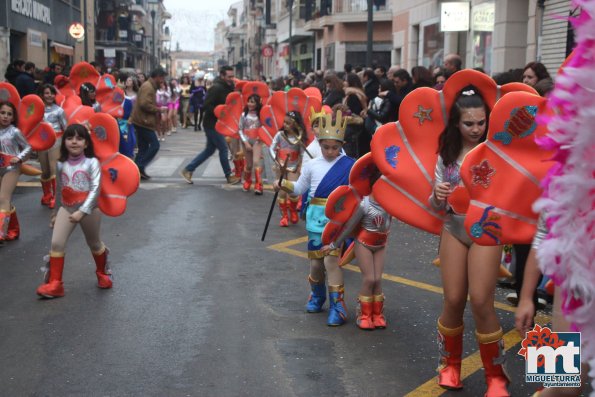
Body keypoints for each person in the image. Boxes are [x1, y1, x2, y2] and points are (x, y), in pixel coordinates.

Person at [431, 87, 509, 396]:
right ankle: (449, 365)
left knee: (480, 301)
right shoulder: (446, 154)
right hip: (454, 227)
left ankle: (497, 375)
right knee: (452, 299)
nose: (477, 129)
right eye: (469, 123)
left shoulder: (498, 151)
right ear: (456, 124)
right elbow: (436, 203)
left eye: (481, 123)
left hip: (488, 231)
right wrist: (436, 195)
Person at [275, 109, 355, 326]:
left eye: (335, 147)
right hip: (314, 221)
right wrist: (283, 184)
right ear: (319, 144)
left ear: (341, 145)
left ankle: (338, 307)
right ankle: (317, 296)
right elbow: (299, 188)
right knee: (316, 265)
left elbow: (356, 193)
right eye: (326, 147)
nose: (330, 151)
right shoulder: (311, 165)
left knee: (331, 262)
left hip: (337, 221)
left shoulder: (349, 165)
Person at [35, 124, 112, 298]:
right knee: (56, 243)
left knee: (94, 243)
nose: (74, 142)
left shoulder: (92, 163)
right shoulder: (61, 164)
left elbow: (95, 190)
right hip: (67, 207)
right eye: (70, 138)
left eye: (79, 138)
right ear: (64, 142)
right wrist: (55, 213)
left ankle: (102, 273)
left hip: (89, 209)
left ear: (86, 143)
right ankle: (56, 284)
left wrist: (82, 212)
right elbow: (60, 190)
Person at [322, 166, 392, 330]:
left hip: (381, 244)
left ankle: (378, 314)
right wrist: (334, 244)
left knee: (377, 279)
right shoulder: (364, 204)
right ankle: (364, 314)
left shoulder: (390, 205)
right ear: (373, 184)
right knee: (369, 279)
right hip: (364, 244)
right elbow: (348, 227)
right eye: (381, 185)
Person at [179, 66, 240, 185]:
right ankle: (228, 175)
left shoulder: (229, 88)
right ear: (222, 76)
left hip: (220, 124)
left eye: (232, 76)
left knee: (209, 150)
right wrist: (220, 112)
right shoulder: (216, 88)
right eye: (229, 76)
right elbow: (206, 105)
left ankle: (188, 170)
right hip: (212, 124)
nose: (232, 78)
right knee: (223, 148)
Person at [0, 101, 31, 242]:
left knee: (3, 198)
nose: (5, 116)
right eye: (2, 113)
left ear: (13, 118)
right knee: (3, 200)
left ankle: (1, 232)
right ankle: (13, 229)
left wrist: (18, 158)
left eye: (9, 114)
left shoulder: (15, 131)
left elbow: (28, 148)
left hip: (11, 168)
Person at [269, 111, 307, 226]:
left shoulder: (299, 138)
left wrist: (301, 166)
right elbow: (271, 147)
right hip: (280, 165)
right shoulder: (280, 135)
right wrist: (276, 160)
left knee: (293, 191)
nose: (285, 125)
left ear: (295, 124)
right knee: (281, 191)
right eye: (284, 122)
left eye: (288, 123)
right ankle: (284, 215)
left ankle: (293, 210)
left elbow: (302, 153)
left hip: (293, 166)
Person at [129, 67, 167, 180]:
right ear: (158, 76)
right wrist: (159, 109)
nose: (163, 81)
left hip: (141, 120)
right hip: (143, 121)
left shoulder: (150, 86)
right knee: (155, 145)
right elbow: (144, 104)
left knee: (143, 147)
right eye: (162, 78)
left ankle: (137, 171)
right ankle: (139, 166)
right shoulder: (148, 87)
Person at [38, 84, 67, 209]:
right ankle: (47, 194)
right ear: (42, 95)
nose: (49, 95)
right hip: (41, 141)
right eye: (46, 93)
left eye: (52, 93)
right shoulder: (37, 110)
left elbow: (65, 127)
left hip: (57, 139)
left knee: (53, 167)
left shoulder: (59, 110)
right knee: (45, 170)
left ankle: (57, 197)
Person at [238, 94, 264, 195]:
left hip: (257, 141)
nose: (250, 104)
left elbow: (264, 128)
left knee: (256, 162)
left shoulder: (261, 115)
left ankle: (259, 184)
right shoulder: (244, 115)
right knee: (248, 165)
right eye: (249, 101)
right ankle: (248, 181)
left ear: (257, 104)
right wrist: (245, 142)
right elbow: (240, 129)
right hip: (246, 141)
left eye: (253, 102)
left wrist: (260, 138)